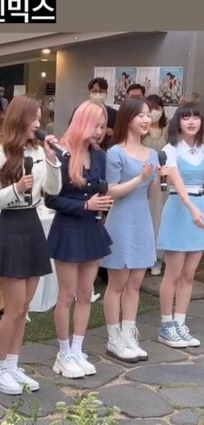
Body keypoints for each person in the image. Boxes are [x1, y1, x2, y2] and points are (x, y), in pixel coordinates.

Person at [0, 94, 62, 395]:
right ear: (19, 119)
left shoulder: (39, 150)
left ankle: (13, 365)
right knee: (13, 309)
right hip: (11, 228)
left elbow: (53, 190)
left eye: (40, 118)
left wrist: (52, 160)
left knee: (24, 307)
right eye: (33, 118)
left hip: (33, 226)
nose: (38, 123)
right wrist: (15, 189)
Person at [44, 100, 113, 379]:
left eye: (103, 126)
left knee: (86, 294)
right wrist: (85, 205)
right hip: (69, 229)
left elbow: (102, 190)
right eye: (95, 125)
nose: (99, 132)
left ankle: (77, 349)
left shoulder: (100, 156)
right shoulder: (62, 153)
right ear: (82, 123)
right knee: (66, 295)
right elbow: (51, 199)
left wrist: (102, 204)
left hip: (92, 228)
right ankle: (63, 353)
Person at [101, 97, 164, 363]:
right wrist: (140, 177)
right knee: (117, 283)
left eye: (148, 114)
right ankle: (113, 337)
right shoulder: (116, 153)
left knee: (135, 283)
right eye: (141, 115)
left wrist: (156, 176)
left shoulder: (152, 154)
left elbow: (150, 194)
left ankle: (129, 334)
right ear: (128, 119)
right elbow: (112, 191)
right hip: (121, 221)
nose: (146, 119)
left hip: (142, 221)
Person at [156, 102, 204, 349]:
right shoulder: (170, 149)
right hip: (179, 209)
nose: (192, 122)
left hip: (201, 208)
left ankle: (180, 323)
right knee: (173, 273)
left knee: (189, 273)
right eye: (186, 117)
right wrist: (193, 209)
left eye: (196, 117)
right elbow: (180, 187)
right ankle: (166, 325)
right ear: (179, 122)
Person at [143, 94, 169, 276]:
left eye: (157, 108)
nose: (154, 112)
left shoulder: (167, 131)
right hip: (144, 178)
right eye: (151, 108)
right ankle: (144, 255)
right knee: (146, 218)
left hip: (163, 180)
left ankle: (158, 258)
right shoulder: (141, 130)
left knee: (159, 218)